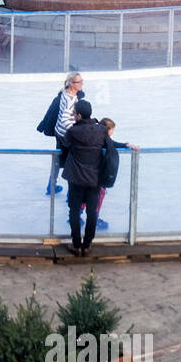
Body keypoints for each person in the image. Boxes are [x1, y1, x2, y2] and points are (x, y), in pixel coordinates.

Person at [61, 99, 113, 257]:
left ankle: (76, 245)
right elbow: (110, 145)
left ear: (78, 115)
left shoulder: (73, 131)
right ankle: (87, 244)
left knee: (74, 211)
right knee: (92, 211)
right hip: (94, 178)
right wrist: (126, 144)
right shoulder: (101, 130)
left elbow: (65, 144)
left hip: (76, 179)